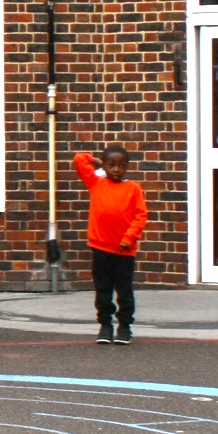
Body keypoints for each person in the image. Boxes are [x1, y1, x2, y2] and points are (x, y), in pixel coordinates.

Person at [74, 145, 148, 344]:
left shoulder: (133, 188)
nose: (116, 169)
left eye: (121, 165)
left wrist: (128, 238)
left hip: (124, 251)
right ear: (105, 166)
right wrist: (95, 160)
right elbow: (79, 160)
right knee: (103, 289)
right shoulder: (96, 183)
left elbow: (140, 216)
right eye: (111, 165)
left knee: (124, 291)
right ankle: (105, 325)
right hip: (100, 248)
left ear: (127, 167)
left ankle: (125, 326)